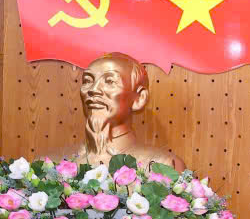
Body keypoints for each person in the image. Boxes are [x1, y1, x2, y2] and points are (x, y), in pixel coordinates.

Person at [53, 51, 186, 172]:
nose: (93, 89)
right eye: (88, 80)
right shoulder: (50, 164)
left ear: (139, 98)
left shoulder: (161, 166)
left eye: (110, 81)